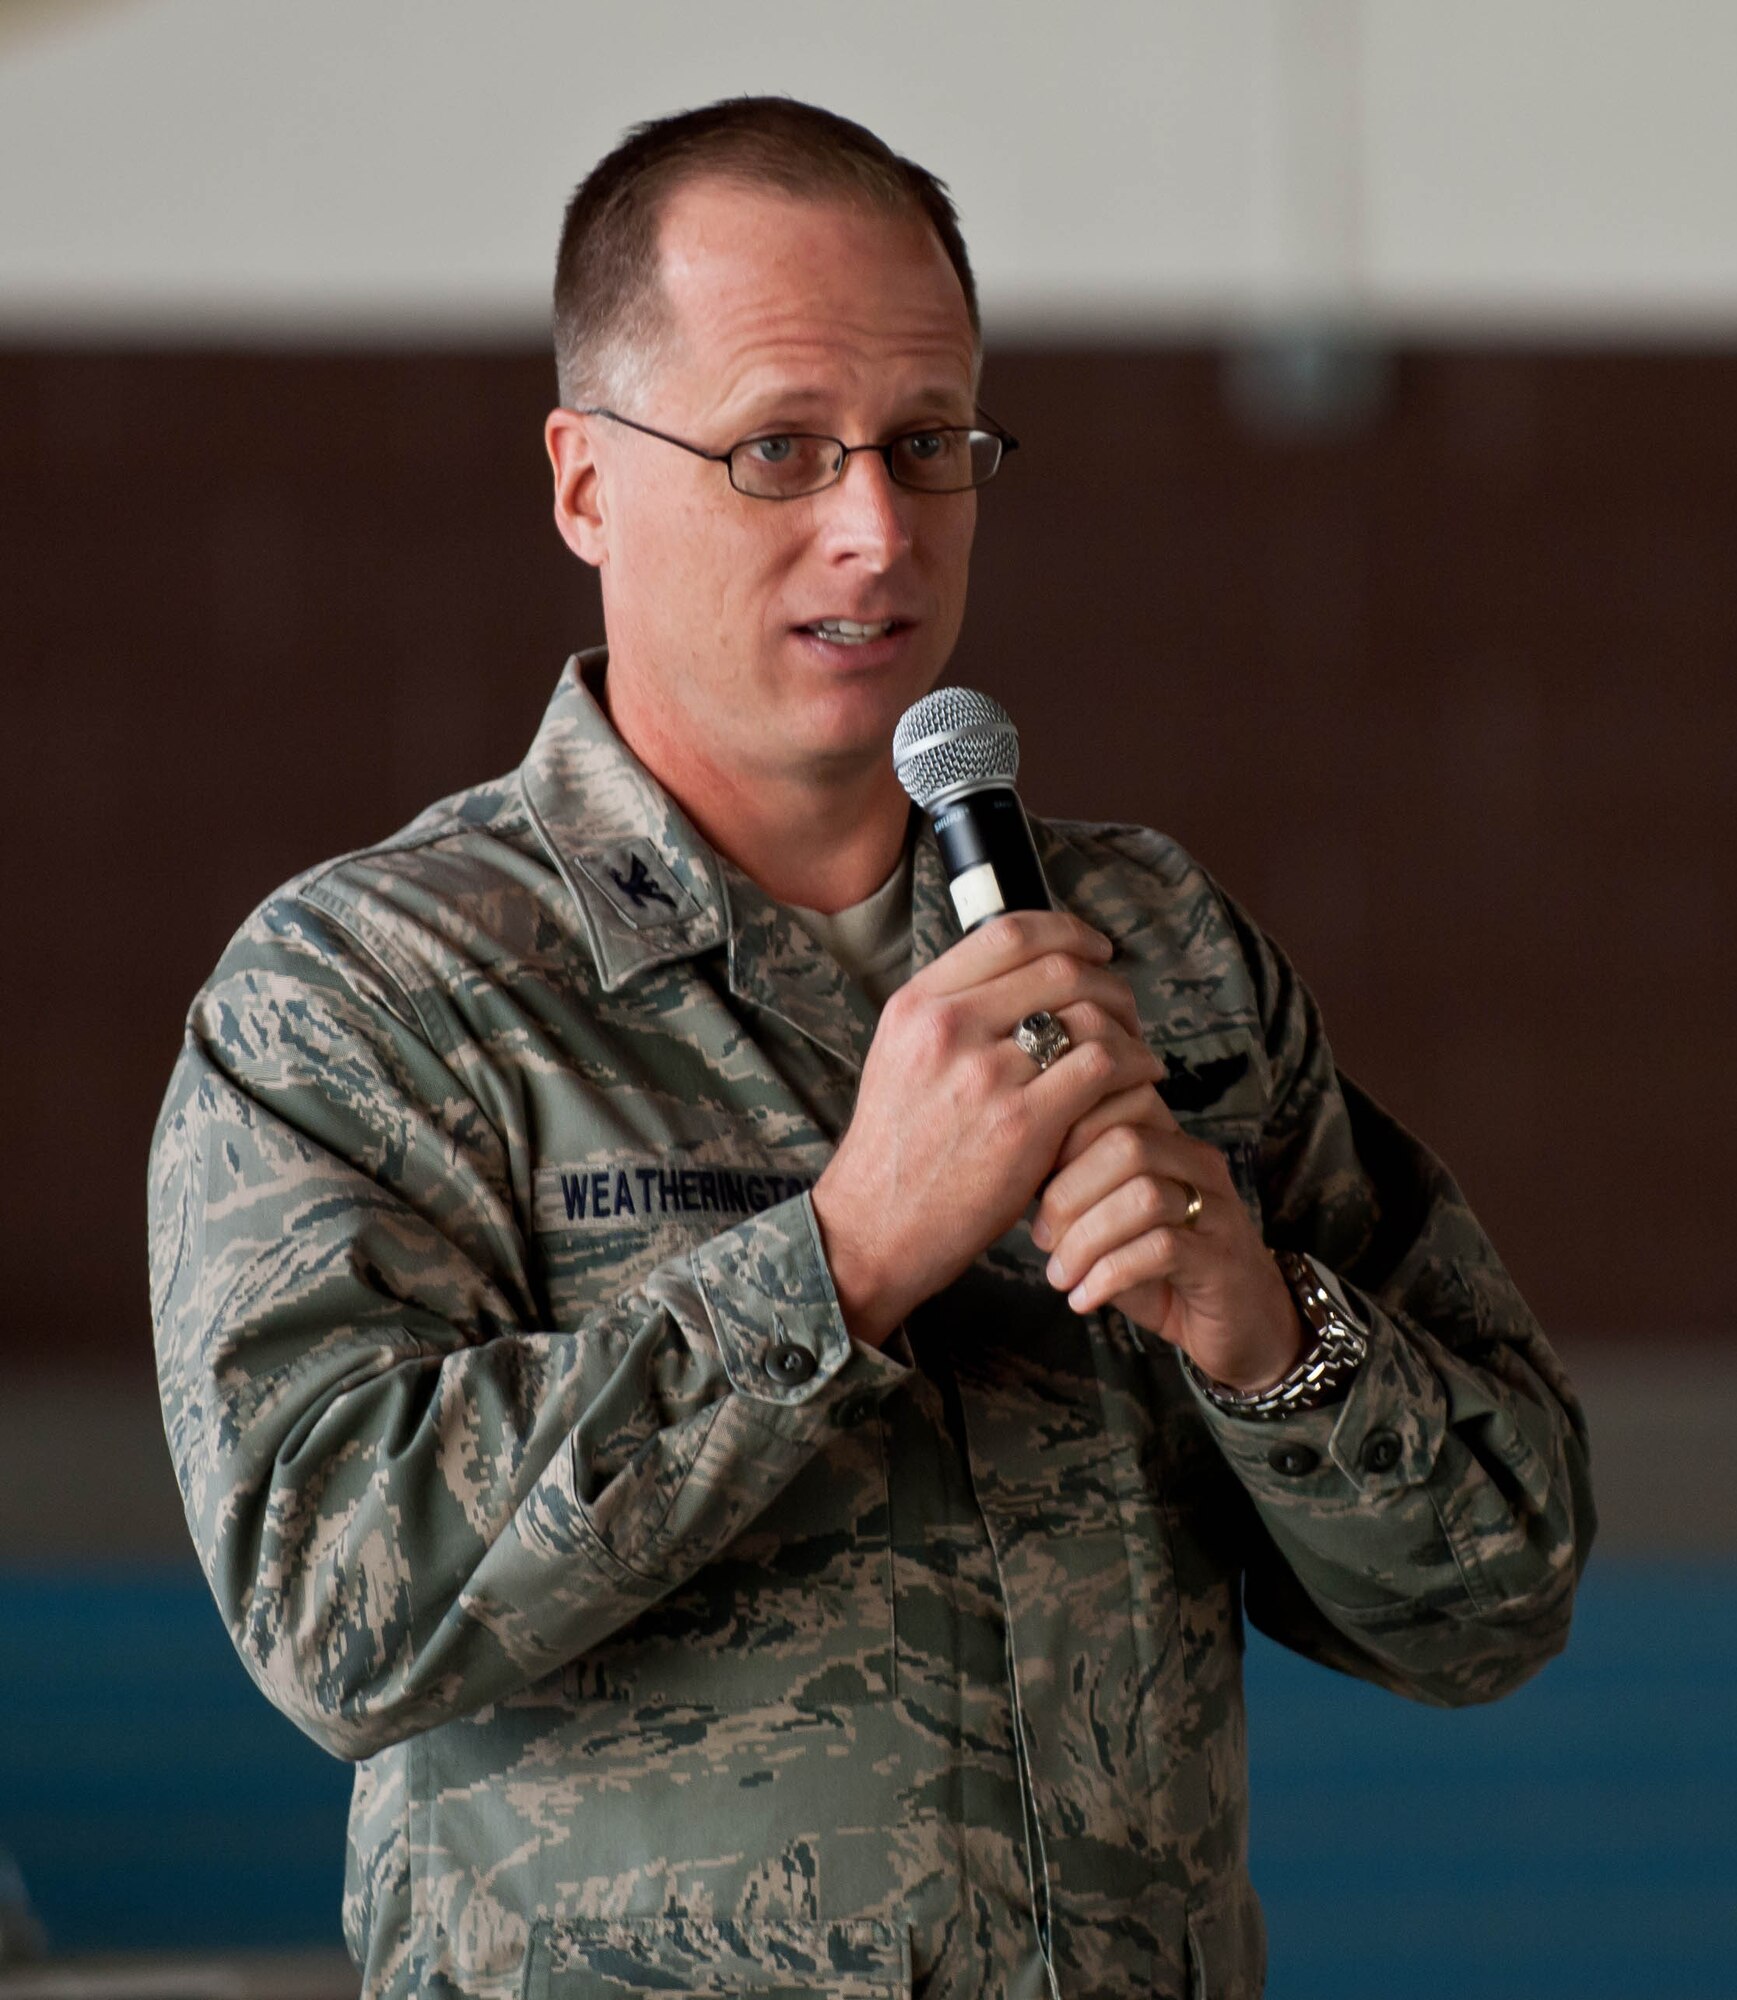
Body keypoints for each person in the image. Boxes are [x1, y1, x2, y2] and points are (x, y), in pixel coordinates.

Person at [149, 97, 1595, 2000]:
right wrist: (841, 1261)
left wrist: (1266, 1337)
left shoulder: (1156, 949)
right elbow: (331, 1608)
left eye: (930, 444)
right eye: (778, 449)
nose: (878, 529)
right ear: (586, 483)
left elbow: (1497, 1597)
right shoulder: (369, 992)